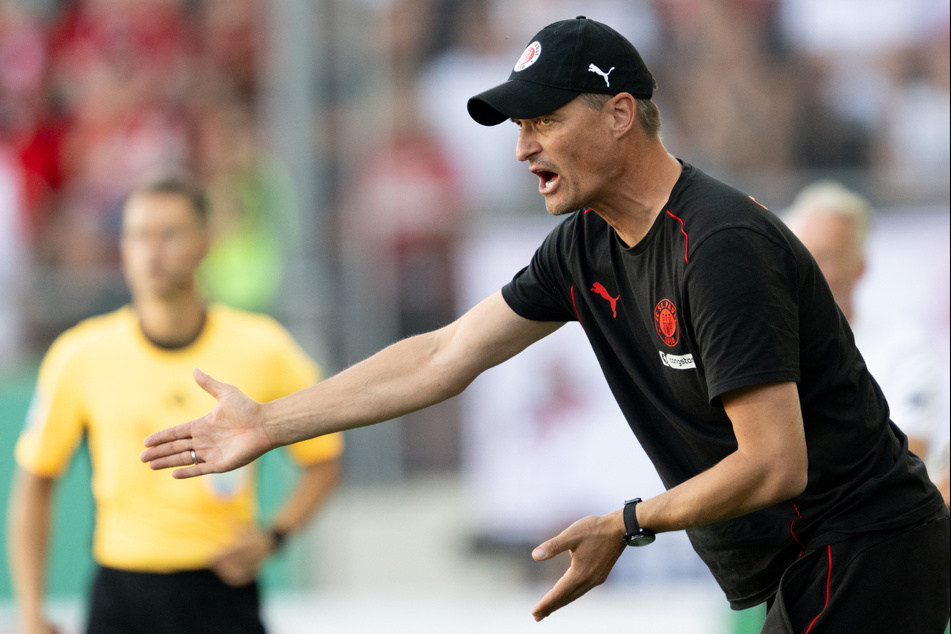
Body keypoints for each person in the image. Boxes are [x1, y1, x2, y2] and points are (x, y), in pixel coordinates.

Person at [140, 17, 950, 633]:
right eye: (517, 127)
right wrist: (270, 422)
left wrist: (626, 524)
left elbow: (773, 463)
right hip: (819, 562)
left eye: (542, 121)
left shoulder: (720, 245)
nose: (523, 148)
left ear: (620, 114)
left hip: (865, 550)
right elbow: (444, 355)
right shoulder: (583, 246)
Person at [8, 176, 343, 634]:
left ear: (205, 242)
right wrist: (30, 613)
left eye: (169, 234)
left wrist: (274, 536)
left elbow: (324, 459)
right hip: (121, 594)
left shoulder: (263, 347)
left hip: (222, 592)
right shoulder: (80, 354)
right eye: (138, 235)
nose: (152, 250)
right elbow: (35, 480)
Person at [784, 180, 948, 484]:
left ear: (860, 268)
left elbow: (909, 461)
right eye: (798, 251)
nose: (807, 267)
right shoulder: (759, 339)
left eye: (826, 256)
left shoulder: (905, 347)